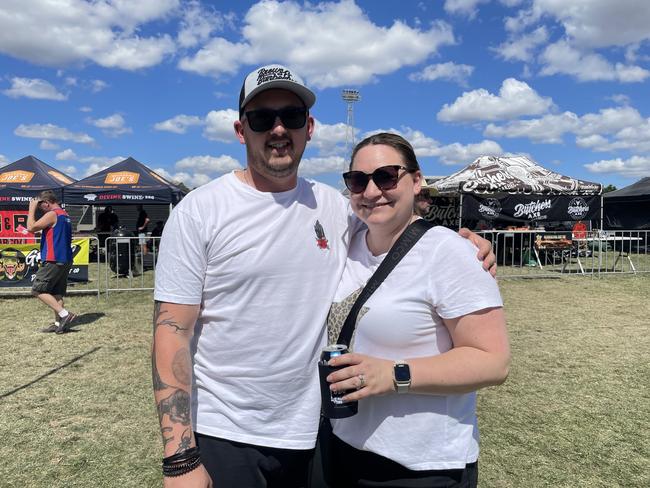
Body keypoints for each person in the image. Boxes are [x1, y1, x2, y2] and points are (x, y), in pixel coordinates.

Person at [152, 64, 497, 488]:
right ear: (241, 130)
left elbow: (397, 234)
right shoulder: (200, 211)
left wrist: (463, 242)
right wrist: (180, 457)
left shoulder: (334, 207)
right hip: (228, 434)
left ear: (309, 127)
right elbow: (172, 331)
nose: (279, 129)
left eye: (292, 117)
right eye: (262, 118)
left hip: (314, 435)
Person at [322, 133, 510, 487]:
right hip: (343, 450)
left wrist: (393, 375)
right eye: (358, 180)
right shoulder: (346, 244)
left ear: (417, 180)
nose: (372, 190)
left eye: (387, 176)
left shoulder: (449, 252)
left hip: (420, 465)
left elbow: (493, 361)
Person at [27, 190, 77, 334]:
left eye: (41, 206)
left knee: (37, 290)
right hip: (65, 258)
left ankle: (64, 314)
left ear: (47, 203)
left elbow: (31, 228)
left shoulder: (52, 214)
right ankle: (58, 324)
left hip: (53, 259)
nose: (40, 210)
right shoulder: (64, 214)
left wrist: (31, 210)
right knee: (56, 293)